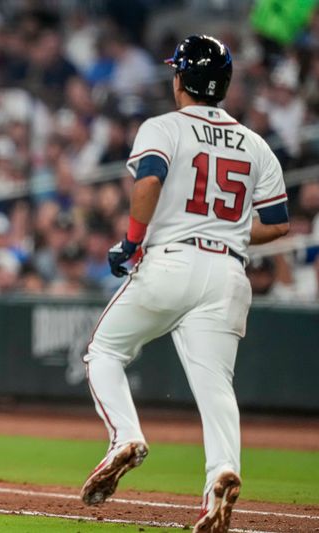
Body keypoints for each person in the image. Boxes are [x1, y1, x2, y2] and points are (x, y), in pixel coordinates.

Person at [78, 35, 289, 533]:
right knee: (216, 386)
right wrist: (231, 231)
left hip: (170, 261)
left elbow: (148, 181)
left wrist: (131, 242)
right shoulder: (256, 143)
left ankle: (125, 436)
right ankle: (222, 472)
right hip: (228, 273)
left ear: (180, 79)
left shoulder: (165, 126)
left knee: (103, 352)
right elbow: (278, 223)